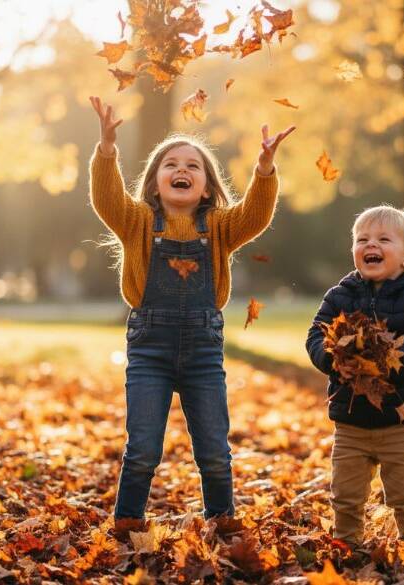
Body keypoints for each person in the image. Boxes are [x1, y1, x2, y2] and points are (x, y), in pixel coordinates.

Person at [88, 96, 294, 523]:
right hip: (150, 352)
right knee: (143, 449)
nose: (181, 170)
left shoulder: (219, 226)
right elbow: (107, 199)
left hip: (203, 354)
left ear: (207, 186)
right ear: (154, 180)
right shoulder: (137, 221)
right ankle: (127, 524)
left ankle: (221, 522)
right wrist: (107, 150)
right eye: (171, 164)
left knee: (215, 452)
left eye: (193, 166)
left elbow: (255, 215)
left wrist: (264, 170)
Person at [305, 205, 404, 550]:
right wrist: (332, 361)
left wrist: (392, 362)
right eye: (362, 239)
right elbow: (315, 335)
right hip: (350, 421)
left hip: (400, 419)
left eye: (384, 239)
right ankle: (347, 544)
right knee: (346, 492)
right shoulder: (340, 295)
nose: (372, 245)